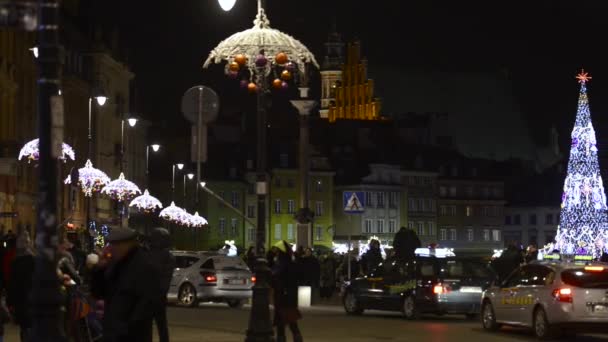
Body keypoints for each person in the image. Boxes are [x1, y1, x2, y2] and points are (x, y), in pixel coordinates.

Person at [90, 227, 161, 342]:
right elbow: (98, 292)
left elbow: (146, 305)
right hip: (113, 332)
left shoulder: (144, 266)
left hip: (131, 335)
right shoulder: (115, 265)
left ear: (126, 245)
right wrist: (99, 269)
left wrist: (125, 328)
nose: (109, 249)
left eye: (114, 244)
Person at [270, 240, 302, 342]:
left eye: (277, 251)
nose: (276, 253)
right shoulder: (289, 263)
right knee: (287, 321)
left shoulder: (283, 264)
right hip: (287, 296)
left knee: (287, 320)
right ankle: (286, 338)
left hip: (284, 296)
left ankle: (287, 339)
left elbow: (276, 276)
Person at [147, 228, 175, 342]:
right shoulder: (166, 256)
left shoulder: (149, 254)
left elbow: (165, 279)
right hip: (155, 296)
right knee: (160, 325)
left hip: (152, 296)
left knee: (155, 325)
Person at [7, 231, 35, 342]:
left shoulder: (15, 263)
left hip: (21, 303)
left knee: (24, 330)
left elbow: (12, 285)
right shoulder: (36, 261)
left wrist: (10, 303)